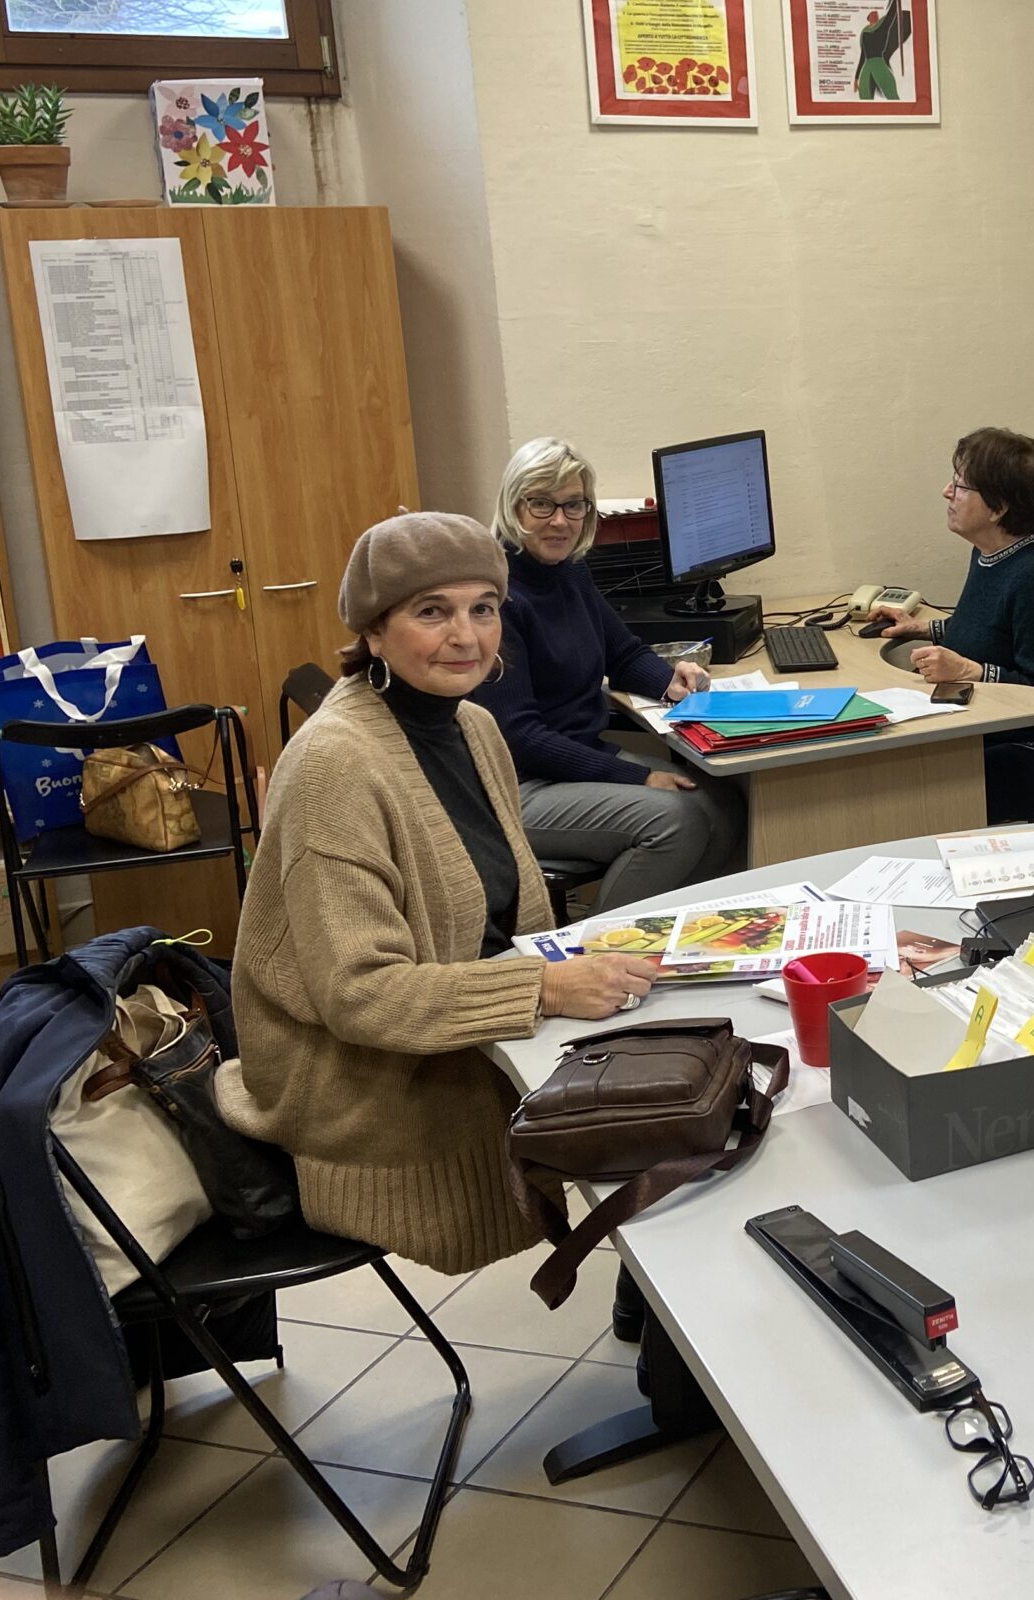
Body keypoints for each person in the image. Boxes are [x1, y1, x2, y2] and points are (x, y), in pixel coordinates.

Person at [219, 512, 663, 1273]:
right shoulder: (336, 765)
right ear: (373, 631)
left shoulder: (477, 729)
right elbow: (361, 995)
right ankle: (662, 1317)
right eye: (433, 612)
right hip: (372, 1094)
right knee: (660, 1127)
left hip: (464, 1036)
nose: (467, 636)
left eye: (483, 609)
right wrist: (545, 989)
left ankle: (653, 1309)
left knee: (685, 1078)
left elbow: (500, 921)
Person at [472, 437, 745, 912]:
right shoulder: (497, 597)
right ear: (512, 506)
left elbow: (620, 653)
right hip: (517, 785)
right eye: (541, 504)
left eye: (573, 505)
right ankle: (596, 952)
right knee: (676, 821)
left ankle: (668, 941)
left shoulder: (569, 571)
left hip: (576, 760)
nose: (560, 520)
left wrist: (667, 680)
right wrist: (633, 777)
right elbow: (519, 736)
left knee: (724, 804)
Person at [862, 427, 1034, 820]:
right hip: (984, 725)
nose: (947, 492)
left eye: (961, 486)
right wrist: (921, 628)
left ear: (997, 508)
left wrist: (969, 670)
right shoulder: (990, 552)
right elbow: (991, 631)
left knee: (893, 779)